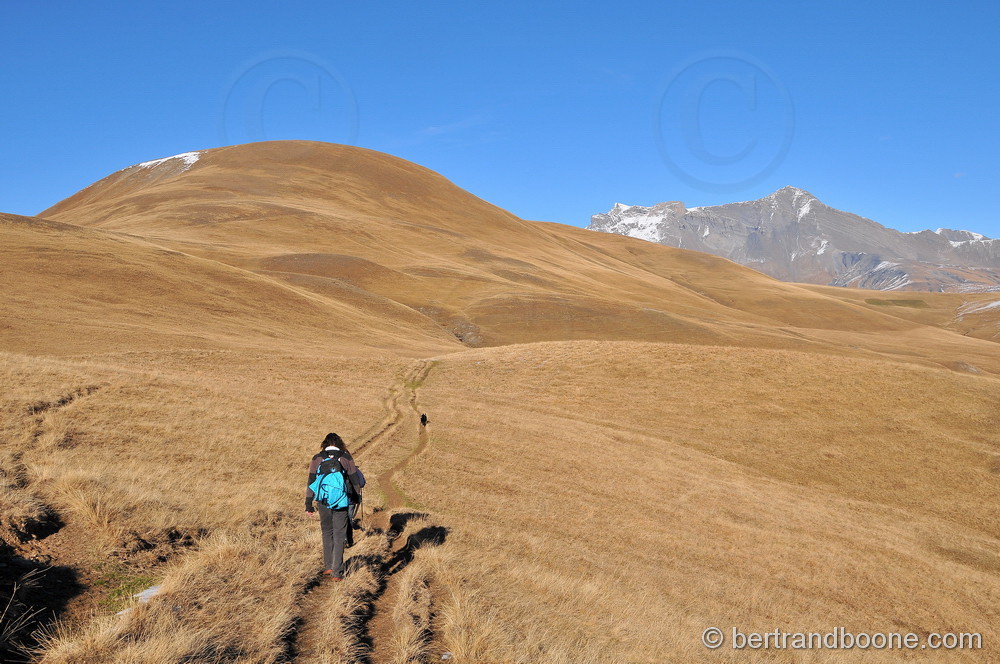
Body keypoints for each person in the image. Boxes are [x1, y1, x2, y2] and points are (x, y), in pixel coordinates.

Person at [305, 433, 364, 580]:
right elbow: (355, 480)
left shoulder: (317, 458)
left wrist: (308, 504)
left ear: (324, 444)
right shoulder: (346, 458)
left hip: (323, 501)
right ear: (340, 444)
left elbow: (311, 481)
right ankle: (337, 573)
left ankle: (328, 566)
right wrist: (356, 498)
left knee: (327, 532)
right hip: (341, 502)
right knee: (339, 535)